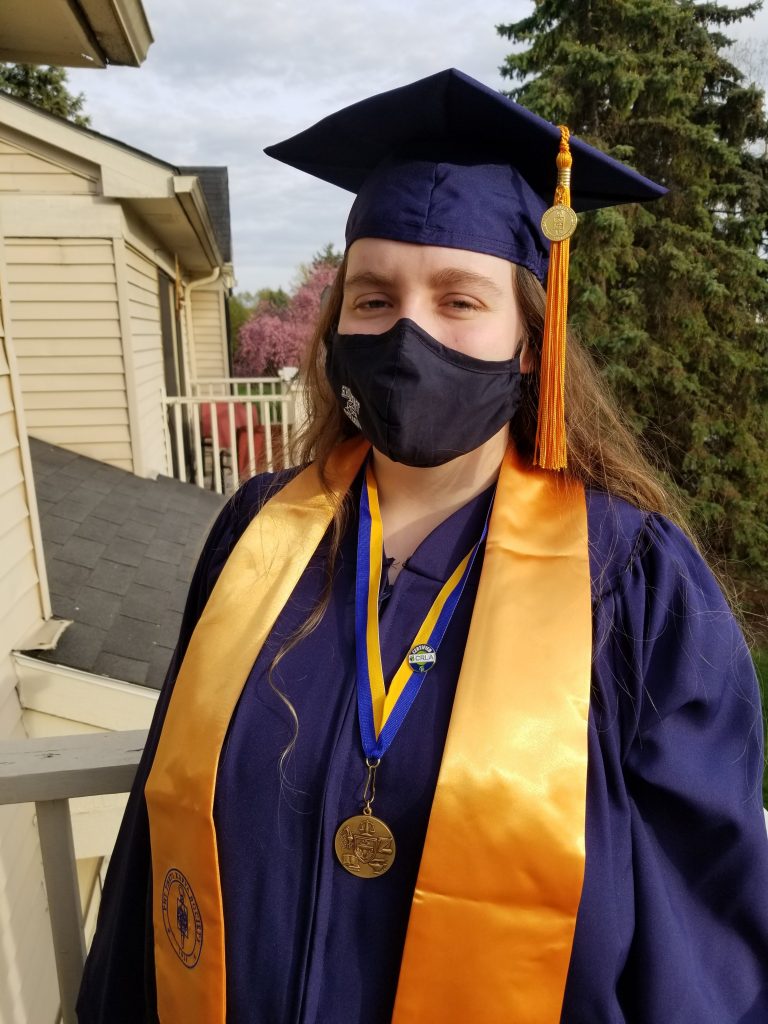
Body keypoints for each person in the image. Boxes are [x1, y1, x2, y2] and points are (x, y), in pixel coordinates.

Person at [77, 69, 768, 1024]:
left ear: (532, 339)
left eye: (459, 301)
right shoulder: (257, 535)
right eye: (373, 299)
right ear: (334, 331)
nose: (406, 333)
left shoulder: (632, 582)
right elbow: (161, 837)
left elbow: (699, 926)